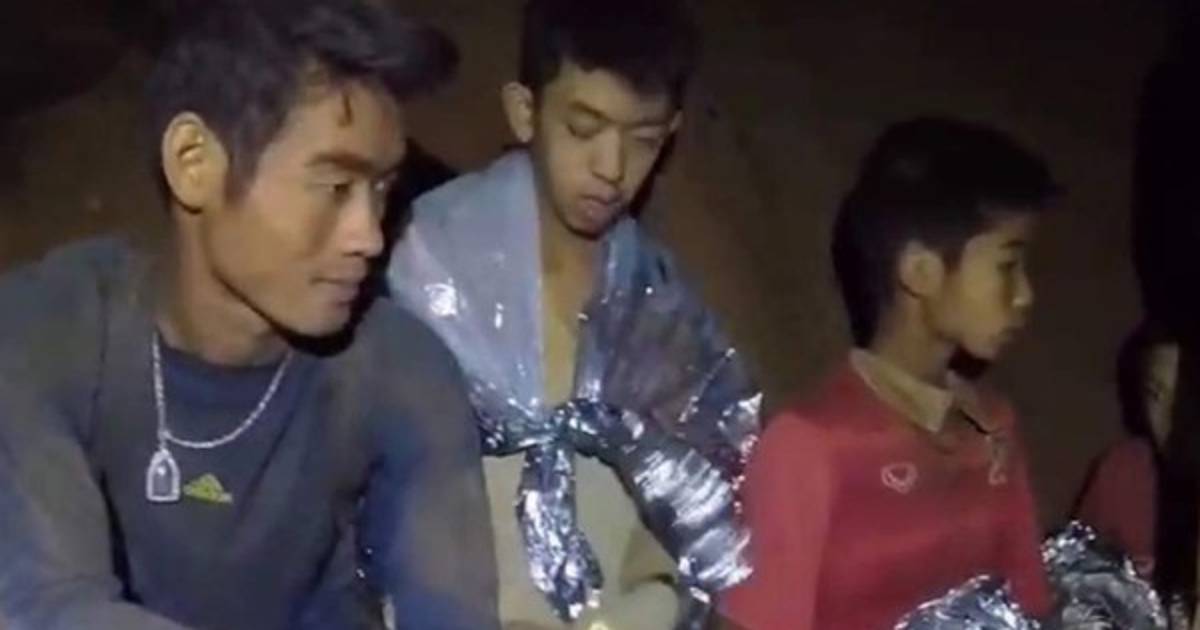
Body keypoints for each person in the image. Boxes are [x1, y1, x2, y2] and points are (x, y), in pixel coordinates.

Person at [0, 1, 497, 628]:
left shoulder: (402, 370)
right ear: (194, 163)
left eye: (380, 191)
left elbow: (451, 613)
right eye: (335, 187)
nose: (370, 236)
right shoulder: (46, 332)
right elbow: (49, 607)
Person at [388, 1, 759, 628]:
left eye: (642, 140)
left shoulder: (664, 313)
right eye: (584, 129)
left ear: (671, 134)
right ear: (524, 111)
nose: (611, 169)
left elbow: (693, 520)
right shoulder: (430, 263)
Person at [719, 117, 1060, 629]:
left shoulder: (994, 430)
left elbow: (1032, 606)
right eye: (1006, 267)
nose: (1025, 295)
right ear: (919, 270)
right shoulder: (810, 446)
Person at [1076, 323, 1178, 577]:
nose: (1171, 416)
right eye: (1155, 394)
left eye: (1187, 396)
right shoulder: (1123, 469)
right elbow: (1076, 574)